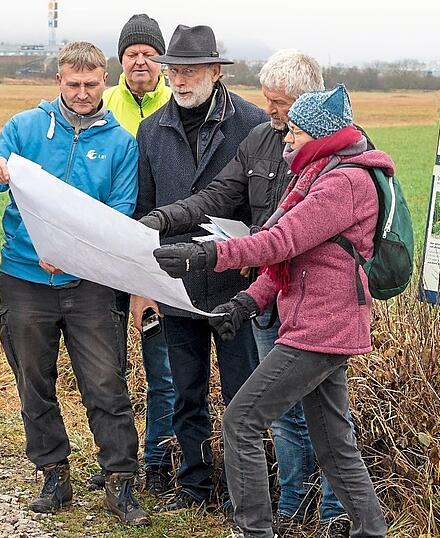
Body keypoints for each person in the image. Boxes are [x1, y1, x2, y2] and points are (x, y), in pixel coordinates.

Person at [154, 84, 389, 537]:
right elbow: (288, 258)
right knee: (335, 445)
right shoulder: (317, 171)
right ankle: (370, 531)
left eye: (295, 133)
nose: (285, 140)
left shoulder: (344, 183)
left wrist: (205, 256)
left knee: (240, 421)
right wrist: (245, 303)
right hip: (315, 324)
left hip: (321, 329)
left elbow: (280, 241)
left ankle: (253, 529)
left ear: (321, 135)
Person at [0, 41, 150, 527]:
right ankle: (53, 472)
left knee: (106, 383)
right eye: (73, 84)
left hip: (89, 283)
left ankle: (120, 480)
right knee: (34, 381)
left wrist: (73, 253)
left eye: (92, 84)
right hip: (25, 277)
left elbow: (118, 211)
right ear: (59, 81)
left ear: (104, 81)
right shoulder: (26, 127)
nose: (82, 93)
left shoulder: (121, 144)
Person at [133, 23, 268, 512]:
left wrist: (261, 264)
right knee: (184, 392)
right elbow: (145, 209)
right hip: (176, 285)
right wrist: (143, 283)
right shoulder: (152, 130)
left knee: (241, 396)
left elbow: (264, 206)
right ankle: (194, 486)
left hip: (237, 284)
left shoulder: (252, 124)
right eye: (174, 71)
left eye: (191, 70)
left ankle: (241, 492)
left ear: (215, 70)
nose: (180, 80)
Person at [92, 13, 176, 495]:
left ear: (162, 60)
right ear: (120, 61)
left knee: (161, 365)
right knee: (108, 368)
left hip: (159, 258)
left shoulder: (180, 103)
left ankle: (160, 460)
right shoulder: (103, 105)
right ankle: (116, 463)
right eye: (131, 54)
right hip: (109, 257)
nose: (140, 61)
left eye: (148, 53)